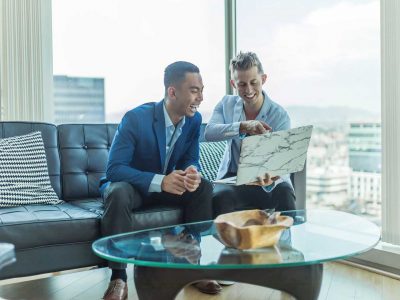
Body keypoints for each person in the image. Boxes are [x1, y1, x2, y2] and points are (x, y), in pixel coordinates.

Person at [100, 61, 219, 300]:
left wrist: (192, 173)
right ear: (172, 92)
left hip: (164, 186)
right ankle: (118, 279)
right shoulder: (136, 118)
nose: (201, 97)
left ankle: (192, 263)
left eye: (202, 90)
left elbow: (190, 159)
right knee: (118, 192)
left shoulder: (194, 120)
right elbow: (114, 169)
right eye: (194, 90)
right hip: (132, 187)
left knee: (203, 186)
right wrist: (160, 181)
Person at [204, 51, 296, 218]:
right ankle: (227, 243)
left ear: (264, 79)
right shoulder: (226, 105)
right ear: (233, 83)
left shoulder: (280, 116)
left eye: (254, 82)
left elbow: (283, 162)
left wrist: (272, 177)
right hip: (234, 179)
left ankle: (285, 243)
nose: (249, 90)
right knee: (220, 198)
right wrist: (242, 126)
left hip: (268, 181)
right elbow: (209, 132)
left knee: (285, 194)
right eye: (242, 84)